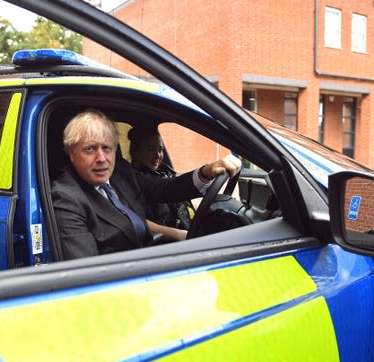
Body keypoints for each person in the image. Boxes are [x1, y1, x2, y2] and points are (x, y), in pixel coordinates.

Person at [51, 109, 241, 260]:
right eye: (90, 149)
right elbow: (87, 272)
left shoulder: (121, 172)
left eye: (107, 148)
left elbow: (163, 188)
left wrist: (205, 172)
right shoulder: (67, 198)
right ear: (71, 153)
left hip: (152, 256)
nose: (101, 158)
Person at [128, 126, 194, 242]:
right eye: (151, 149)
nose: (158, 155)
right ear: (135, 150)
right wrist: (177, 234)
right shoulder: (131, 181)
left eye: (160, 149)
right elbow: (135, 219)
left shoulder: (164, 172)